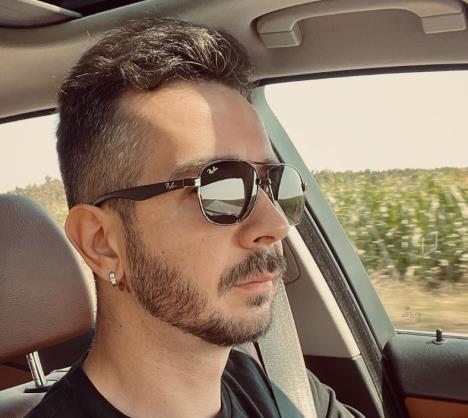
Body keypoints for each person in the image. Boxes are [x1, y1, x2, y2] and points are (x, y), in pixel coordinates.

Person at [26, 17, 365, 418]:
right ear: (102, 243)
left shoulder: (284, 389)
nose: (275, 225)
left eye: (275, 183)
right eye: (218, 188)